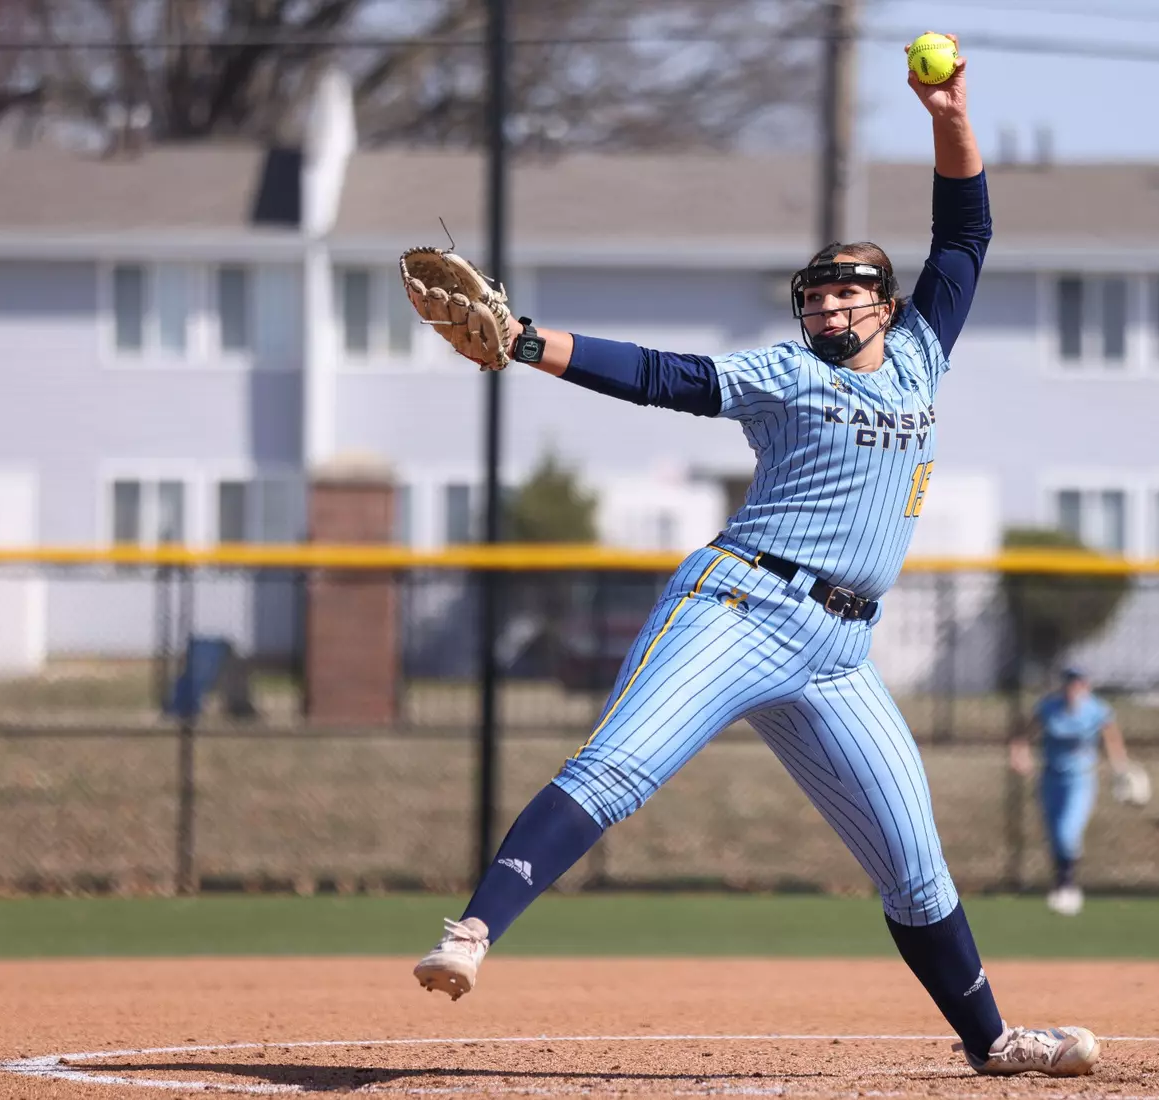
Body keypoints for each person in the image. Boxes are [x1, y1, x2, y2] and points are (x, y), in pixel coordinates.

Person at [411, 35, 1100, 1079]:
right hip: (737, 605)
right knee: (619, 767)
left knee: (915, 869)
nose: (823, 308)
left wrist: (947, 113)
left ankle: (992, 1040)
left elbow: (965, 231)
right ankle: (471, 930)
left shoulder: (919, 348)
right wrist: (523, 340)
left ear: (881, 301)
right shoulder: (783, 373)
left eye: (841, 294)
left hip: (837, 651)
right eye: (811, 297)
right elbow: (663, 375)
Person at [1008, 666, 1134, 916]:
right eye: (1069, 683)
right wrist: (1020, 755)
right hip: (1050, 778)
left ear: (1086, 686)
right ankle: (1061, 884)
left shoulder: (1097, 710)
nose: (1073, 689)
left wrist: (1121, 769)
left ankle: (1068, 886)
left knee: (1068, 831)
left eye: (1078, 684)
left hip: (1080, 780)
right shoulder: (1049, 707)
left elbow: (1112, 739)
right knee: (1054, 835)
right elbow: (1024, 735)